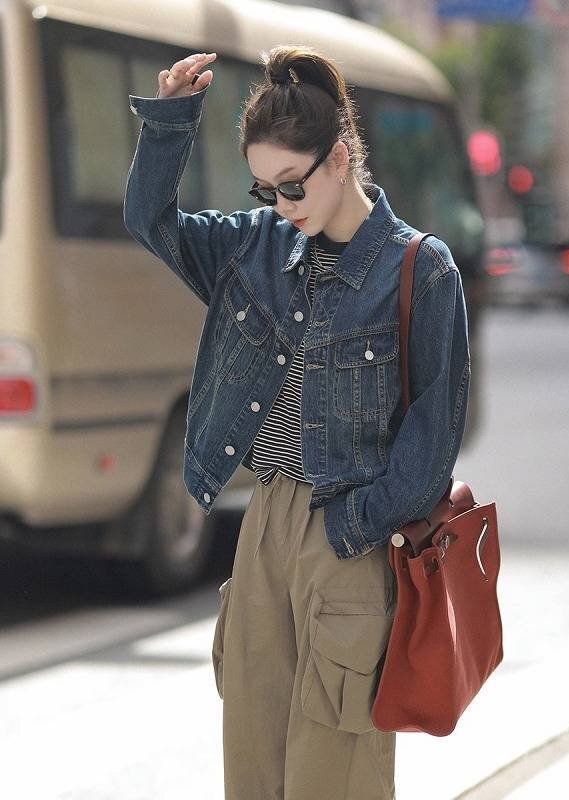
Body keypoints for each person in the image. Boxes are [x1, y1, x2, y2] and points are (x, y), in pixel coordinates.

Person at [124, 45, 471, 800]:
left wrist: (356, 528)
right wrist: (170, 122)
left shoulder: (420, 269)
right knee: (252, 759)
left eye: (291, 184)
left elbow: (433, 437)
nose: (281, 204)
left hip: (351, 530)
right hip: (265, 522)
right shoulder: (256, 245)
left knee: (333, 772)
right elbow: (151, 222)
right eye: (264, 187)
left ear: (340, 158)